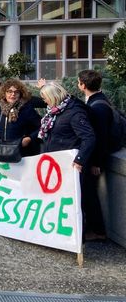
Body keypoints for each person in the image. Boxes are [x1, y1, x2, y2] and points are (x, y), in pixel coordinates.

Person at [78, 69, 112, 241]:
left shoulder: (97, 106)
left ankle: (98, 231)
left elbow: (100, 137)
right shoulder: (99, 101)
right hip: (94, 158)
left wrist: (96, 163)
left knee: (89, 194)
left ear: (82, 85)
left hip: (94, 160)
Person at [38, 82, 95, 174]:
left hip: (70, 162)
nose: (44, 101)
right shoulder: (54, 111)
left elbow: (88, 137)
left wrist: (79, 160)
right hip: (55, 160)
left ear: (53, 97)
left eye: (45, 98)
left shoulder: (75, 113)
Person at [0, 79, 41, 162]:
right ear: (4, 93)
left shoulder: (26, 108)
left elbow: (41, 126)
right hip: (1, 151)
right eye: (9, 91)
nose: (13, 94)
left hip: (22, 153)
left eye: (16, 92)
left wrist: (29, 138)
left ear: (20, 94)